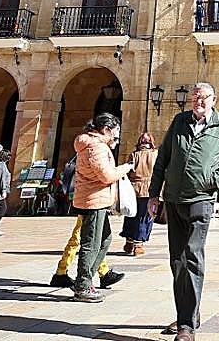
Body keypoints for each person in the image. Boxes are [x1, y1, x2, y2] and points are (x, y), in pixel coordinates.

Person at [148, 82, 219, 341]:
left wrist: (212, 179)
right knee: (177, 260)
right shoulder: (179, 122)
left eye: (203, 98)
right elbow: (163, 158)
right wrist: (154, 194)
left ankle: (186, 327)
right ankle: (188, 314)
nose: (198, 102)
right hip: (173, 199)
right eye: (194, 98)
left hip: (201, 200)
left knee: (192, 256)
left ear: (214, 99)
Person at [71, 113, 133, 302]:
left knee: (104, 239)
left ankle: (86, 280)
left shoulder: (94, 145)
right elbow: (106, 176)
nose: (117, 136)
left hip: (96, 199)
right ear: (106, 130)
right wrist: (126, 168)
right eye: (115, 132)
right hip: (93, 201)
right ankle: (83, 285)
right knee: (91, 243)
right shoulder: (96, 147)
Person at [49, 154, 121, 290]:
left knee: (90, 238)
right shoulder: (93, 153)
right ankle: (62, 273)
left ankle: (101, 272)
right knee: (83, 238)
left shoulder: (85, 154)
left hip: (85, 200)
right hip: (89, 202)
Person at [121, 131, 159, 255]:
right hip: (149, 189)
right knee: (145, 217)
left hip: (133, 189)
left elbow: (128, 171)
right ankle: (138, 244)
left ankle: (129, 242)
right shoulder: (155, 154)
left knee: (131, 215)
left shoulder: (134, 155)